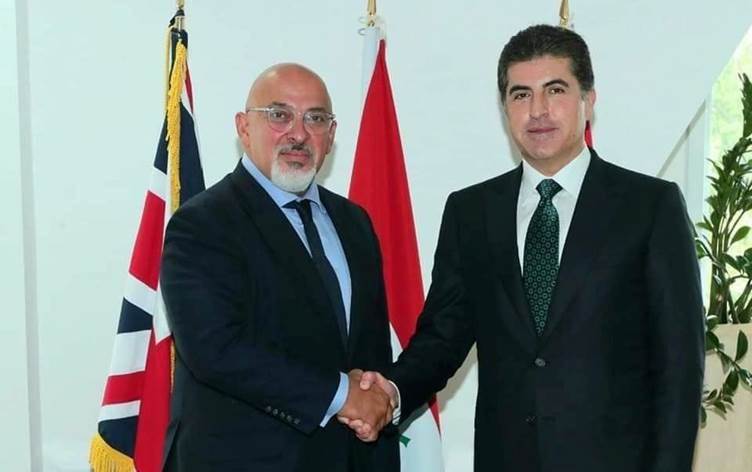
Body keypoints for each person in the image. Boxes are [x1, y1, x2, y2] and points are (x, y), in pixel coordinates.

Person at [345, 24, 705, 471]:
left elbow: (679, 367)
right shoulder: (471, 212)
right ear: (505, 108)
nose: (538, 110)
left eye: (555, 90)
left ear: (588, 100)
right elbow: (442, 337)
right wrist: (390, 392)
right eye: (521, 95)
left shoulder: (650, 207)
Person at [160, 63, 398, 472]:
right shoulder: (202, 224)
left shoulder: (354, 223)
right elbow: (216, 350)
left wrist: (377, 401)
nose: (298, 133)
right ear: (243, 127)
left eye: (315, 118)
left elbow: (370, 349)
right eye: (279, 115)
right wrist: (342, 395)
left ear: (331, 135)